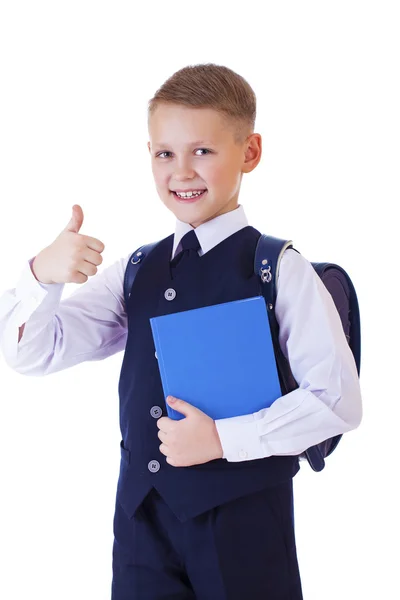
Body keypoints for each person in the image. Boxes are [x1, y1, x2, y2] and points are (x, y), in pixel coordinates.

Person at [0, 63, 362, 599]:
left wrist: (223, 439)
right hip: (142, 522)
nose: (182, 172)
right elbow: (34, 354)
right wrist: (41, 277)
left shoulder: (278, 269)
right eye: (165, 153)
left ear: (250, 152)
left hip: (243, 528)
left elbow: (337, 402)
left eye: (203, 151)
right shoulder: (136, 270)